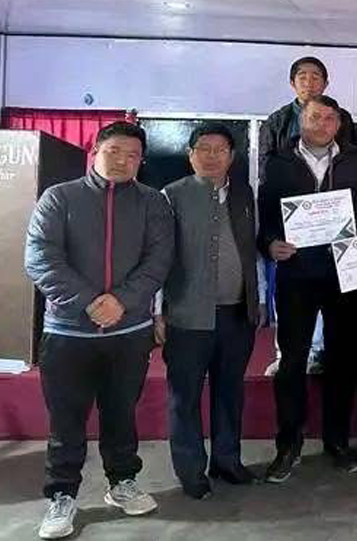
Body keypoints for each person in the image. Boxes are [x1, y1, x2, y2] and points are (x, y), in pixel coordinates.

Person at [25, 121, 174, 539]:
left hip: (129, 333)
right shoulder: (59, 198)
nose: (123, 161)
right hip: (68, 332)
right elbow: (40, 257)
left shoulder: (152, 203)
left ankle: (122, 481)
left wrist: (121, 301)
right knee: (66, 420)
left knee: (121, 413)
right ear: (95, 151)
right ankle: (62, 495)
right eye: (115, 151)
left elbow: (159, 260)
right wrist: (90, 301)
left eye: (133, 155)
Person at [257, 95, 357, 483]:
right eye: (314, 117)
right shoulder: (279, 161)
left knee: (342, 361)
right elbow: (266, 216)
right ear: (301, 121)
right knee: (292, 362)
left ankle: (337, 442)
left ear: (339, 124)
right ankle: (288, 444)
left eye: (330, 118)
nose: (322, 124)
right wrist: (270, 244)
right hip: (297, 275)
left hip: (345, 274)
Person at [157, 123, 265, 499]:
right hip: (188, 315)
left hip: (237, 313)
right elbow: (157, 257)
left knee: (229, 391)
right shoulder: (172, 195)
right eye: (203, 148)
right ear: (190, 155)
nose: (212, 156)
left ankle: (227, 461)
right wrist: (158, 312)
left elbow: (252, 249)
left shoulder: (244, 194)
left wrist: (259, 298)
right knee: (184, 396)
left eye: (220, 150)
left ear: (232, 157)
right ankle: (191, 471)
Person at [259, 56, 352, 377]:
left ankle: (320, 353)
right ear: (292, 83)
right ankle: (285, 355)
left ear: (326, 83)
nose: (309, 82)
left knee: (330, 295)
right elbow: (267, 173)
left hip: (333, 223)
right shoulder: (277, 120)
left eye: (316, 77)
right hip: (294, 226)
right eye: (303, 77)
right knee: (290, 299)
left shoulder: (342, 117)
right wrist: (272, 234)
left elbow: (348, 164)